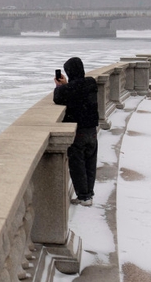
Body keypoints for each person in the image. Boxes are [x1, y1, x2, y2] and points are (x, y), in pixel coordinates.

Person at [54, 57, 99, 207]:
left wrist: (60, 86)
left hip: (77, 131)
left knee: (77, 165)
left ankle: (83, 196)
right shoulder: (91, 82)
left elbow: (58, 97)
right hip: (92, 131)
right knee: (90, 163)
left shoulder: (68, 89)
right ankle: (89, 193)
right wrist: (68, 85)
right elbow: (80, 89)